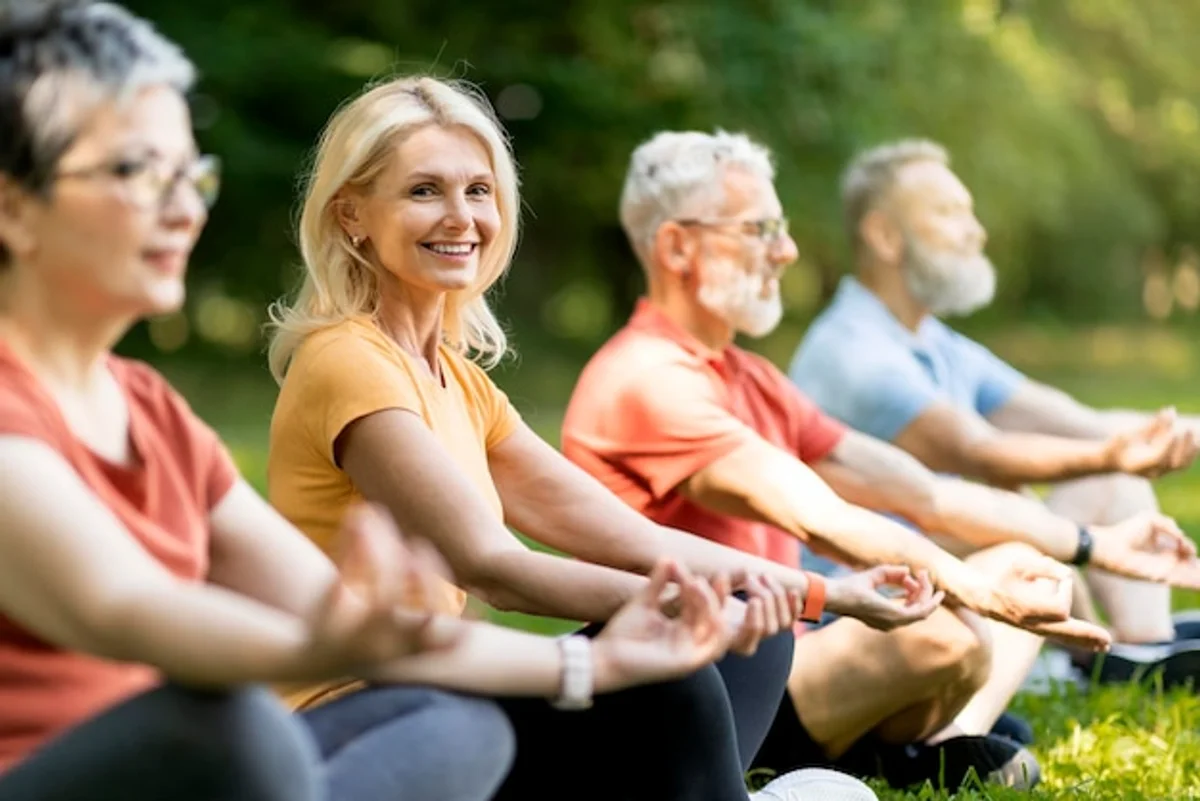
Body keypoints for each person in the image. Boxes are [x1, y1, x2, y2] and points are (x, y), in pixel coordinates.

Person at [0, 5, 800, 801]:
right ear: (11, 206)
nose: (184, 208)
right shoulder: (18, 415)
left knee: (468, 728)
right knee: (234, 729)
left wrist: (603, 660)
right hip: (229, 746)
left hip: (308, 740)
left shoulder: (150, 408)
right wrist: (342, 641)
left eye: (190, 176)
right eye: (134, 172)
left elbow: (328, 607)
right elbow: (128, 608)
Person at [264, 75, 941, 801]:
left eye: (479, 190)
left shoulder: (459, 381)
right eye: (424, 190)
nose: (461, 216)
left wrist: (820, 591)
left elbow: (622, 534)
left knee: (751, 618)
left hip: (455, 680)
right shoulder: (345, 360)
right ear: (352, 215)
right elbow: (492, 566)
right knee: (674, 668)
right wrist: (678, 608)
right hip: (369, 717)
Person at [560, 129, 1200, 790]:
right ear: (676, 246)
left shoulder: (752, 377)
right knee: (946, 630)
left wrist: (1093, 544)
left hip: (787, 653)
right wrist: (972, 589)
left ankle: (900, 746)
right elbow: (825, 518)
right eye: (759, 229)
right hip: (712, 680)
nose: (787, 250)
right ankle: (891, 749)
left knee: (1019, 569)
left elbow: (923, 494)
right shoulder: (647, 379)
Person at [789, 139, 1200, 686]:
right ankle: (1106, 659)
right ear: (885, 235)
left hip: (937, 556)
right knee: (1011, 501)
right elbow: (978, 453)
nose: (975, 231)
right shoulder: (852, 352)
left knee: (1101, 475)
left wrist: (1149, 438)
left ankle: (1139, 651)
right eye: (949, 213)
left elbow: (1061, 417)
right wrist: (1112, 449)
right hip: (865, 597)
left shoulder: (930, 338)